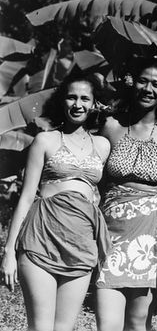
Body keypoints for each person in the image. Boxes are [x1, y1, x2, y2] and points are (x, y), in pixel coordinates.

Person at [0, 67, 111, 331]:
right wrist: (9, 251)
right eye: (72, 97)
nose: (78, 104)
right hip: (41, 238)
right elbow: (26, 197)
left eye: (85, 99)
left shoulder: (103, 146)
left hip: (81, 245)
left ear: (94, 104)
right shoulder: (45, 141)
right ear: (62, 101)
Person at [94, 56, 157, 331]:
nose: (148, 88)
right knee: (106, 324)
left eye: (156, 84)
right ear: (132, 84)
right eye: (143, 81)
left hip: (149, 237)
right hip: (109, 235)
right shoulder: (110, 126)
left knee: (137, 324)